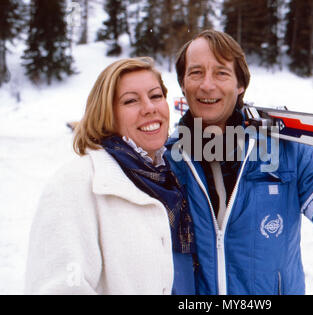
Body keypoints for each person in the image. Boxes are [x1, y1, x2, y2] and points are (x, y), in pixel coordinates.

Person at [164, 29, 313, 295]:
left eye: (221, 73)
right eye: (196, 72)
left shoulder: (284, 148)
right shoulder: (168, 161)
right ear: (182, 83)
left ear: (240, 85)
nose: (207, 85)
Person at [25, 57, 195, 294]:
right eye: (131, 101)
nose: (149, 107)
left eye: (156, 96)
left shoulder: (174, 180)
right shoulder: (74, 185)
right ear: (107, 114)